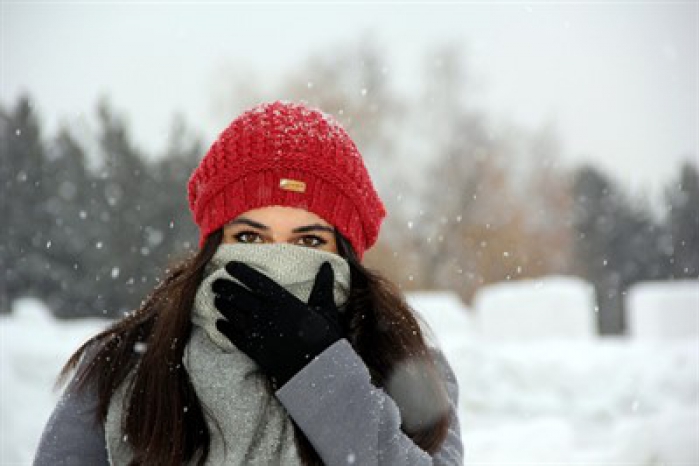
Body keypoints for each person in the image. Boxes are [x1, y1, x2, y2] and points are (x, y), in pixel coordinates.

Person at [34, 100, 463, 465]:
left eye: (310, 240)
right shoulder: (123, 364)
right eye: (250, 238)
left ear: (344, 253)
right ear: (214, 245)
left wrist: (321, 372)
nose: (275, 259)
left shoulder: (405, 363)